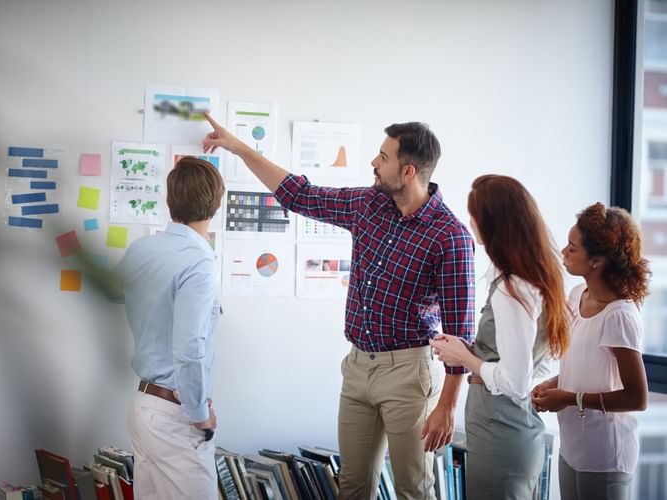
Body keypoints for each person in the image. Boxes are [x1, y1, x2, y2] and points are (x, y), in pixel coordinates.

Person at [203, 113, 475, 499]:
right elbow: (300, 194)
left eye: (383, 156)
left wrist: (447, 406)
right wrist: (239, 147)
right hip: (358, 366)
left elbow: (461, 333)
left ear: (409, 170)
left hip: (410, 374)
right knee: (352, 486)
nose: (374, 163)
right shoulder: (368, 204)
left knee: (414, 489)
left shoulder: (450, 237)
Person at [429, 174, 569, 499]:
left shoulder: (512, 289)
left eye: (474, 214)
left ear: (492, 223)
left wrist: (464, 358)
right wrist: (472, 351)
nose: (469, 221)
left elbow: (515, 382)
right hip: (513, 426)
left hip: (500, 429)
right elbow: (535, 362)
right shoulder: (540, 276)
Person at [117, 156, 225, 499]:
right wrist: (199, 414)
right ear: (217, 204)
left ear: (169, 201)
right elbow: (190, 346)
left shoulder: (142, 249)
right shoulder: (199, 261)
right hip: (175, 414)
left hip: (143, 406)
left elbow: (115, 295)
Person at [532, 203, 649, 500]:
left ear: (596, 260)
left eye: (572, 248)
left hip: (605, 456)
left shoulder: (619, 315)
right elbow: (587, 366)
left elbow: (637, 397)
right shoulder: (577, 296)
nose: (563, 253)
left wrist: (570, 398)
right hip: (573, 446)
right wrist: (554, 384)